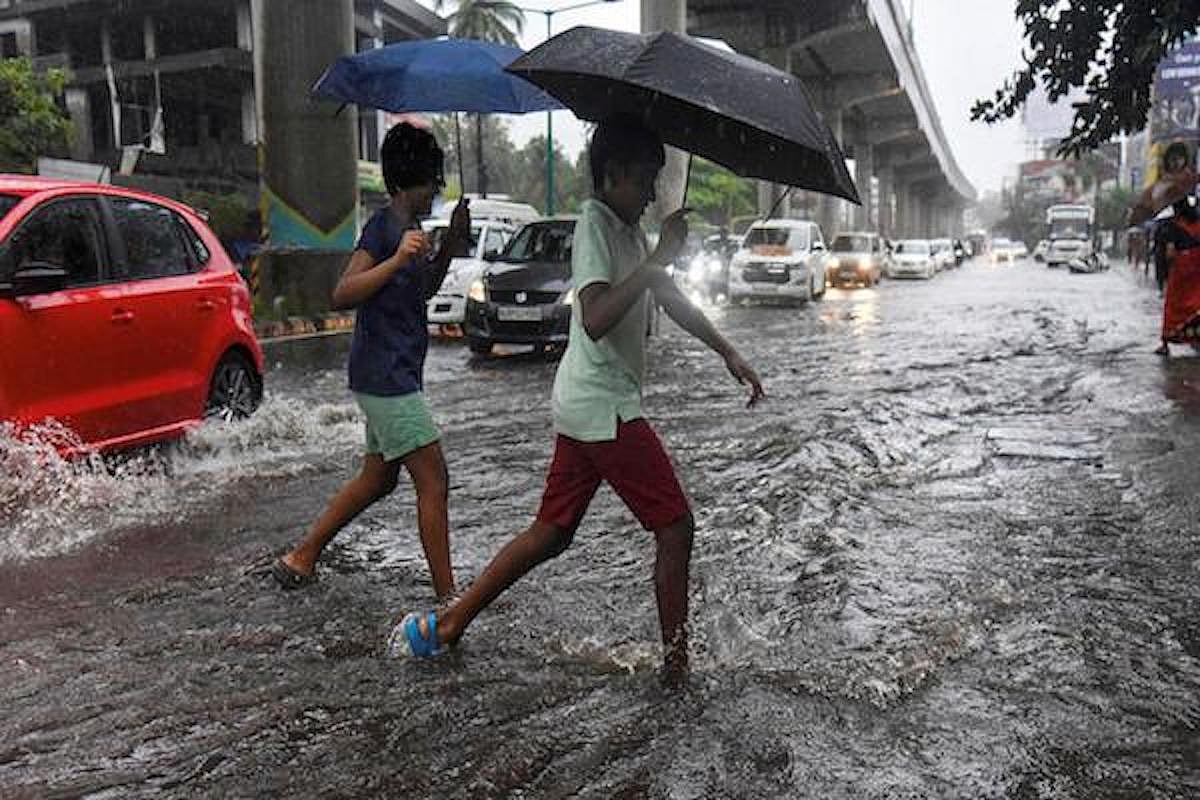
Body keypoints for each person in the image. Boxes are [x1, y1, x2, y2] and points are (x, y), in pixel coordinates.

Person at [391, 113, 765, 684]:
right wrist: (658, 256)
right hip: (603, 405)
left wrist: (727, 351)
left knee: (552, 531)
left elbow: (668, 297)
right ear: (612, 174)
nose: (648, 197)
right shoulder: (594, 223)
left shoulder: (628, 231)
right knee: (675, 527)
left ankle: (448, 625)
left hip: (587, 404)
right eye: (643, 181)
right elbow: (593, 317)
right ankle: (677, 671)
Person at [270, 123, 470, 599]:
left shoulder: (413, 231)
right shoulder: (384, 229)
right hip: (385, 377)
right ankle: (450, 601)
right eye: (430, 185)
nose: (434, 194)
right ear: (406, 182)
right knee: (434, 480)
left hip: (394, 372)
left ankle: (302, 556)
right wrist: (398, 259)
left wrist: (450, 248)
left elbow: (422, 293)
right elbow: (342, 293)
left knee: (378, 479)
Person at [1155, 193, 1200, 356]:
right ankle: (1195, 336)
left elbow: (1170, 253)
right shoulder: (1198, 223)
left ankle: (1166, 342)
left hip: (1182, 267)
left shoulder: (1173, 226)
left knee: (1173, 304)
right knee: (1196, 302)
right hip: (1198, 266)